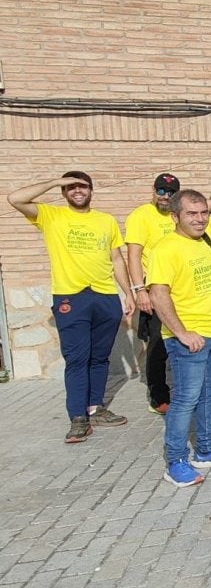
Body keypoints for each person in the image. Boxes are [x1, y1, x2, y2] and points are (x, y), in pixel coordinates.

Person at [7, 172, 134, 443]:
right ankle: (78, 417)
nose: (77, 190)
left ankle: (96, 408)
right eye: (71, 187)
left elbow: (116, 258)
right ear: (64, 192)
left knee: (100, 357)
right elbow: (14, 198)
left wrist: (129, 293)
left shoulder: (106, 220)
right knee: (77, 358)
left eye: (82, 186)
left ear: (91, 190)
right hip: (71, 298)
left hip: (105, 297)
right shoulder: (50, 216)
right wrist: (54, 182)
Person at [145, 189, 211, 486]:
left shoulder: (206, 242)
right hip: (190, 338)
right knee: (185, 399)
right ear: (175, 216)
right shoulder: (166, 249)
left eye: (204, 213)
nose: (200, 219)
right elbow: (158, 294)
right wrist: (182, 332)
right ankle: (175, 461)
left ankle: (207, 448)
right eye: (192, 214)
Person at [125, 173, 181, 416]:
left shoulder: (179, 214)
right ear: (154, 191)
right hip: (154, 289)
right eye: (161, 191)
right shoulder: (141, 216)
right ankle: (158, 396)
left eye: (170, 192)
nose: (165, 196)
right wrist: (139, 290)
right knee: (158, 344)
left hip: (182, 290)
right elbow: (133, 255)